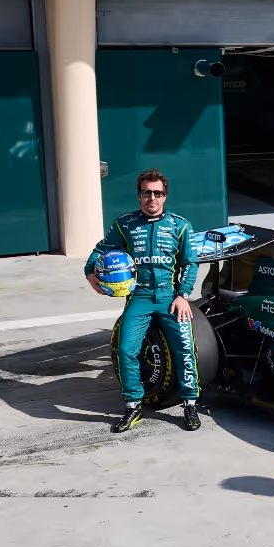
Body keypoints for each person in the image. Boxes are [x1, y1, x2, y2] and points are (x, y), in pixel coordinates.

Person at [85, 169, 202, 433]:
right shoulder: (124, 224)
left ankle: (190, 403)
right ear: (139, 196)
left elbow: (190, 263)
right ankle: (133, 405)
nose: (152, 198)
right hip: (138, 297)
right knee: (125, 349)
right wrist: (90, 273)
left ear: (165, 196)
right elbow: (101, 250)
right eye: (147, 193)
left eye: (157, 193)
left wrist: (183, 295)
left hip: (170, 296)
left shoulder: (180, 225)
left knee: (185, 348)